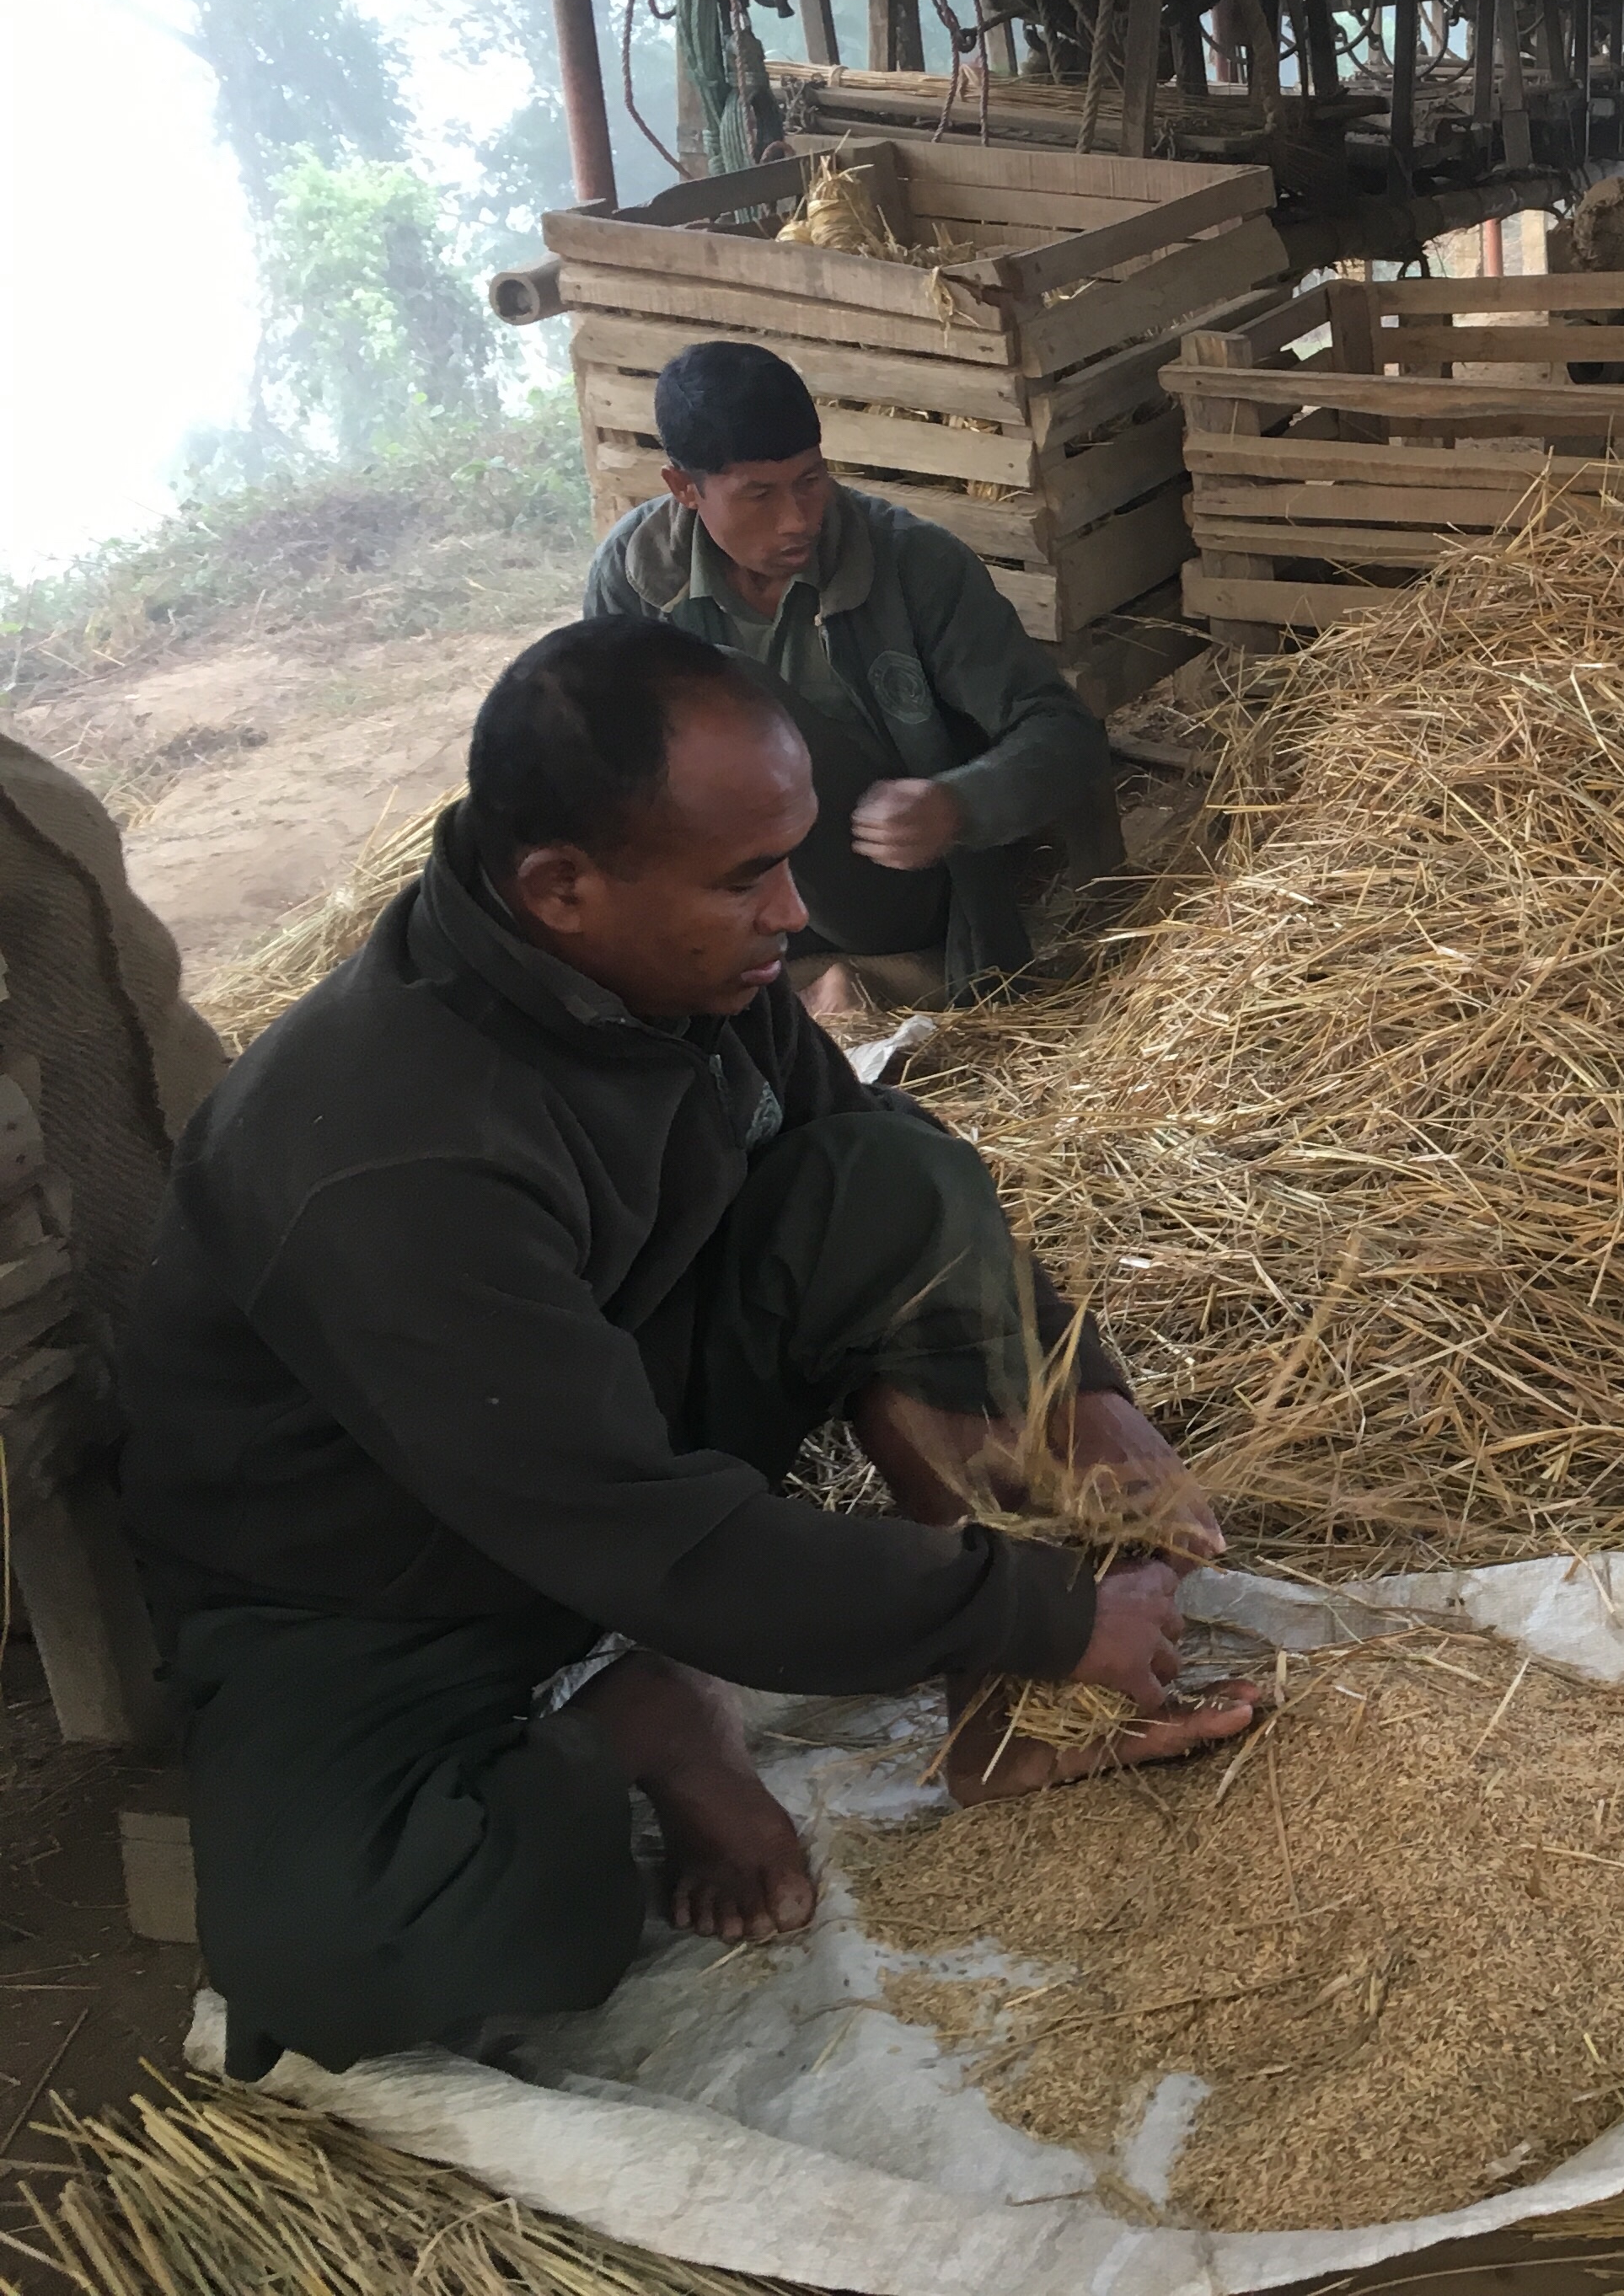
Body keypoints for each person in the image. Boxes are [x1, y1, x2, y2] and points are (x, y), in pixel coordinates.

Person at [116, 618, 1252, 2085]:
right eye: (744, 877)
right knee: (355, 1956)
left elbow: (867, 1150)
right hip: (376, 1584)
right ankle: (641, 1720)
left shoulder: (676, 968)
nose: (794, 911)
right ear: (561, 887)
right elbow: (643, 1533)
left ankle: (1003, 1719)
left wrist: (1076, 1384)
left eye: (788, 856)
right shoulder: (391, 1161)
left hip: (597, 1423)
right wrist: (1037, 1611)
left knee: (896, 1177)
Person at [584, 339, 1108, 1011]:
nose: (797, 520)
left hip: (882, 889)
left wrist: (956, 804)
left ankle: (813, 985)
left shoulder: (913, 563)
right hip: (723, 890)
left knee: (728, 691)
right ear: (685, 489)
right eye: (759, 495)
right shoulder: (633, 576)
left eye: (810, 480)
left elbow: (1063, 732)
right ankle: (802, 990)